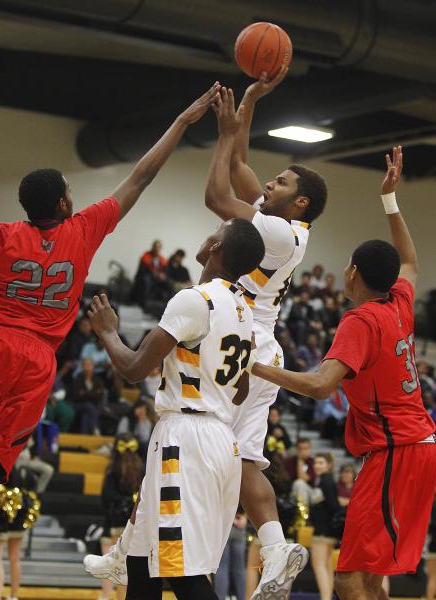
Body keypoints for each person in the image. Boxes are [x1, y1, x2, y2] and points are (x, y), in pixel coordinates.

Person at [0, 81, 221, 550]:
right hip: (38, 364)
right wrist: (183, 122)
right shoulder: (83, 230)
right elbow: (141, 177)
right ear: (65, 205)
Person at [245, 146, 436, 600]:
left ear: (351, 273)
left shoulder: (361, 319)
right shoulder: (400, 302)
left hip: (396, 451)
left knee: (349, 575)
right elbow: (409, 260)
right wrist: (389, 200)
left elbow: (320, 385)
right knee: (370, 578)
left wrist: (257, 366)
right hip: (417, 448)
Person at [85, 217, 265, 600]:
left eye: (214, 232)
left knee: (182, 572)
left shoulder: (193, 299)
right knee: (140, 561)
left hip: (186, 438)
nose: (208, 234)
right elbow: (240, 388)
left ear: (216, 249)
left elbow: (133, 369)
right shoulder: (244, 310)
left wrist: (109, 332)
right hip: (218, 437)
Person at [205, 76, 327, 598]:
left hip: (241, 342)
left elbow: (217, 191)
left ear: (298, 202)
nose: (267, 185)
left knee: (187, 433)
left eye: (279, 183)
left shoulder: (277, 230)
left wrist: (222, 135)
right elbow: (241, 168)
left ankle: (145, 550)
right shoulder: (284, 223)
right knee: (246, 457)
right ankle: (276, 549)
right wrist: (249, 105)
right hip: (260, 345)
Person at [99, 434, 143, 600]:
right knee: (125, 568)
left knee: (109, 565)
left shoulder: (113, 468)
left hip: (113, 522)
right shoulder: (142, 468)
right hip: (134, 523)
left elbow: (106, 497)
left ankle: (105, 596)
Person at [309, 453, 340, 600]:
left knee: (319, 565)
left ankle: (325, 598)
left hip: (323, 530)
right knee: (326, 566)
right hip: (326, 529)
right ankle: (326, 597)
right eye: (316, 463)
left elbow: (334, 505)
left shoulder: (326, 481)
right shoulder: (322, 480)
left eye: (321, 463)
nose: (317, 465)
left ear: (328, 465)